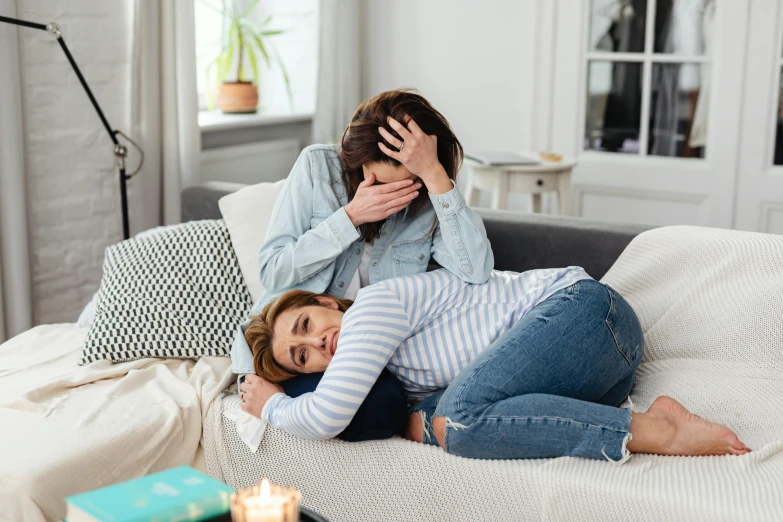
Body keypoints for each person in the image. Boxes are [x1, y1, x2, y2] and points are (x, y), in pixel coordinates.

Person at [239, 268, 751, 462]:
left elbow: (326, 416)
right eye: (300, 356)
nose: (318, 344)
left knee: (458, 417)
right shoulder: (385, 370)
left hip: (587, 313)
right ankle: (651, 413)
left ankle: (655, 430)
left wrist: (273, 406)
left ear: (327, 303)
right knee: (443, 422)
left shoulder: (371, 309)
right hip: (600, 376)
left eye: (305, 323)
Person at [230, 89, 494, 384]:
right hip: (299, 354)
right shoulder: (319, 167)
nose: (386, 195)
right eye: (377, 181)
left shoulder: (430, 199)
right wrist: (350, 217)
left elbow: (477, 271)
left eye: (401, 186)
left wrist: (435, 176)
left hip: (372, 352)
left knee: (381, 405)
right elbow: (273, 272)